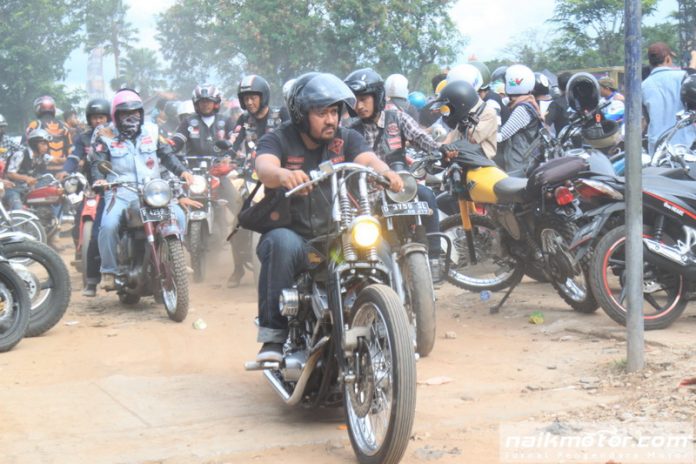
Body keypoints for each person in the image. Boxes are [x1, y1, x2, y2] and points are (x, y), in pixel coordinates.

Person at [252, 72, 403, 362]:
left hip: (338, 237)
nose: (331, 120)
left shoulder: (347, 138)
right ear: (301, 114)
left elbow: (368, 159)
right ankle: (273, 337)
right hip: (297, 237)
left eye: (334, 112)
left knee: (380, 249)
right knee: (279, 243)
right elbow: (264, 167)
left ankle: (392, 327)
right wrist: (282, 175)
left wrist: (386, 173)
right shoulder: (278, 139)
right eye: (322, 113)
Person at [344, 68, 444, 280]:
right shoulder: (351, 132)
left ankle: (435, 256)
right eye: (355, 101)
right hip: (370, 194)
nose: (359, 106)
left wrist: (440, 150)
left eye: (364, 99)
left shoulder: (397, 118)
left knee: (427, 196)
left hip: (402, 186)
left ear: (378, 96)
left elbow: (420, 136)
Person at [90, 89, 194, 290]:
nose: (131, 117)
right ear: (116, 115)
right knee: (108, 226)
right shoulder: (105, 135)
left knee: (179, 216)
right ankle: (109, 270)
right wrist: (99, 180)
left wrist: (182, 172)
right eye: (125, 113)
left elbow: (167, 155)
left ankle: (176, 259)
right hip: (121, 191)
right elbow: (97, 162)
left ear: (141, 112)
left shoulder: (152, 131)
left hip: (153, 191)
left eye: (135, 112)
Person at [170, 83, 245, 287]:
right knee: (174, 206)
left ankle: (244, 247)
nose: (205, 105)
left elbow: (236, 141)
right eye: (202, 101)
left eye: (209, 101)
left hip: (219, 175)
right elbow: (176, 142)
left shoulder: (225, 121)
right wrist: (169, 150)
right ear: (196, 103)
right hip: (194, 177)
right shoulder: (188, 123)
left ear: (216, 103)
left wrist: (231, 157)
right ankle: (174, 250)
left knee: (240, 207)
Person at [60, 99, 111, 297]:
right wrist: (66, 170)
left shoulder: (115, 135)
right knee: (80, 218)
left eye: (101, 117)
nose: (98, 121)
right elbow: (74, 156)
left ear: (108, 118)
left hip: (116, 185)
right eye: (95, 118)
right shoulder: (83, 138)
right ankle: (82, 254)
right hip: (92, 185)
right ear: (89, 120)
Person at [642, 42, 696, 154]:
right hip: (685, 146)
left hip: (657, 149)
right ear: (667, 59)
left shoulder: (643, 86)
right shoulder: (683, 77)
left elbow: (647, 119)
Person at [496, 64, 545, 174]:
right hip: (523, 162)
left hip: (520, 166)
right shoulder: (526, 103)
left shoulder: (522, 110)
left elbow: (501, 136)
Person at [230, 75, 287, 156]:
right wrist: (228, 156)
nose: (249, 102)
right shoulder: (245, 120)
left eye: (253, 98)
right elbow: (236, 141)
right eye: (246, 99)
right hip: (252, 162)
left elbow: (293, 141)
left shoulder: (280, 115)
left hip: (278, 161)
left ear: (263, 97)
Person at [440, 80, 498, 159]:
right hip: (463, 157)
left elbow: (473, 139)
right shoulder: (464, 112)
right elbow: (451, 137)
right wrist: (440, 148)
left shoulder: (488, 113)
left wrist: (464, 120)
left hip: (481, 160)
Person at [4, 129, 51, 210]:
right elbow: (10, 173)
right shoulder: (20, 154)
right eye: (43, 144)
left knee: (50, 198)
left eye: (47, 144)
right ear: (34, 144)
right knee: (18, 209)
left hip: (28, 189)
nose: (46, 147)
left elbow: (56, 160)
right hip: (12, 188)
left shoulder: (41, 156)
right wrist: (26, 178)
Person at [25, 96, 72, 174]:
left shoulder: (35, 125)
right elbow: (70, 148)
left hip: (42, 170)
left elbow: (27, 146)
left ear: (38, 109)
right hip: (63, 170)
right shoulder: (65, 126)